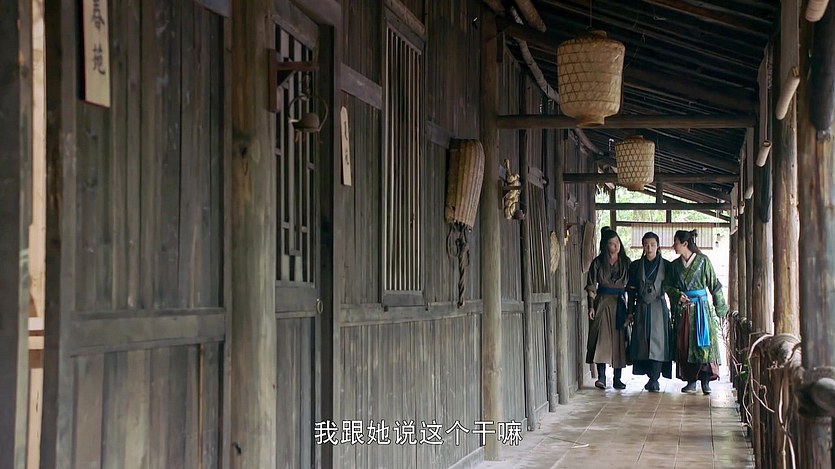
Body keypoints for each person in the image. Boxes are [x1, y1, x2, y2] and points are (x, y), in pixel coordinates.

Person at [666, 229, 729, 395]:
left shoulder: (703, 261)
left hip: (701, 309)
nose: (674, 246)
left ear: (685, 244)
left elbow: (714, 285)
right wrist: (677, 295)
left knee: (704, 344)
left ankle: (705, 382)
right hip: (684, 310)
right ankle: (691, 381)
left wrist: (720, 308)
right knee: (686, 345)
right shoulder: (674, 265)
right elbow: (668, 285)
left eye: (676, 243)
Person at [626, 232, 674, 392]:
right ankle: (650, 376)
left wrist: (675, 311)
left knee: (658, 342)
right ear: (643, 246)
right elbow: (631, 291)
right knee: (643, 341)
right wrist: (630, 311)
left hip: (659, 306)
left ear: (658, 245)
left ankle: (655, 378)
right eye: (646, 244)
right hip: (641, 307)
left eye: (653, 244)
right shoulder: (635, 266)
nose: (649, 248)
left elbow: (672, 289)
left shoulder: (667, 265)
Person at [585, 227, 631, 390]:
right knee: (601, 339)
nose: (616, 246)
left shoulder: (626, 262)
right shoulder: (597, 262)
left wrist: (631, 309)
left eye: (617, 242)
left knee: (619, 340)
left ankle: (618, 378)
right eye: (612, 243)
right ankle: (602, 377)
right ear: (605, 245)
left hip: (620, 302)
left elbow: (631, 287)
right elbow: (591, 286)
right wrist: (591, 306)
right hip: (602, 302)